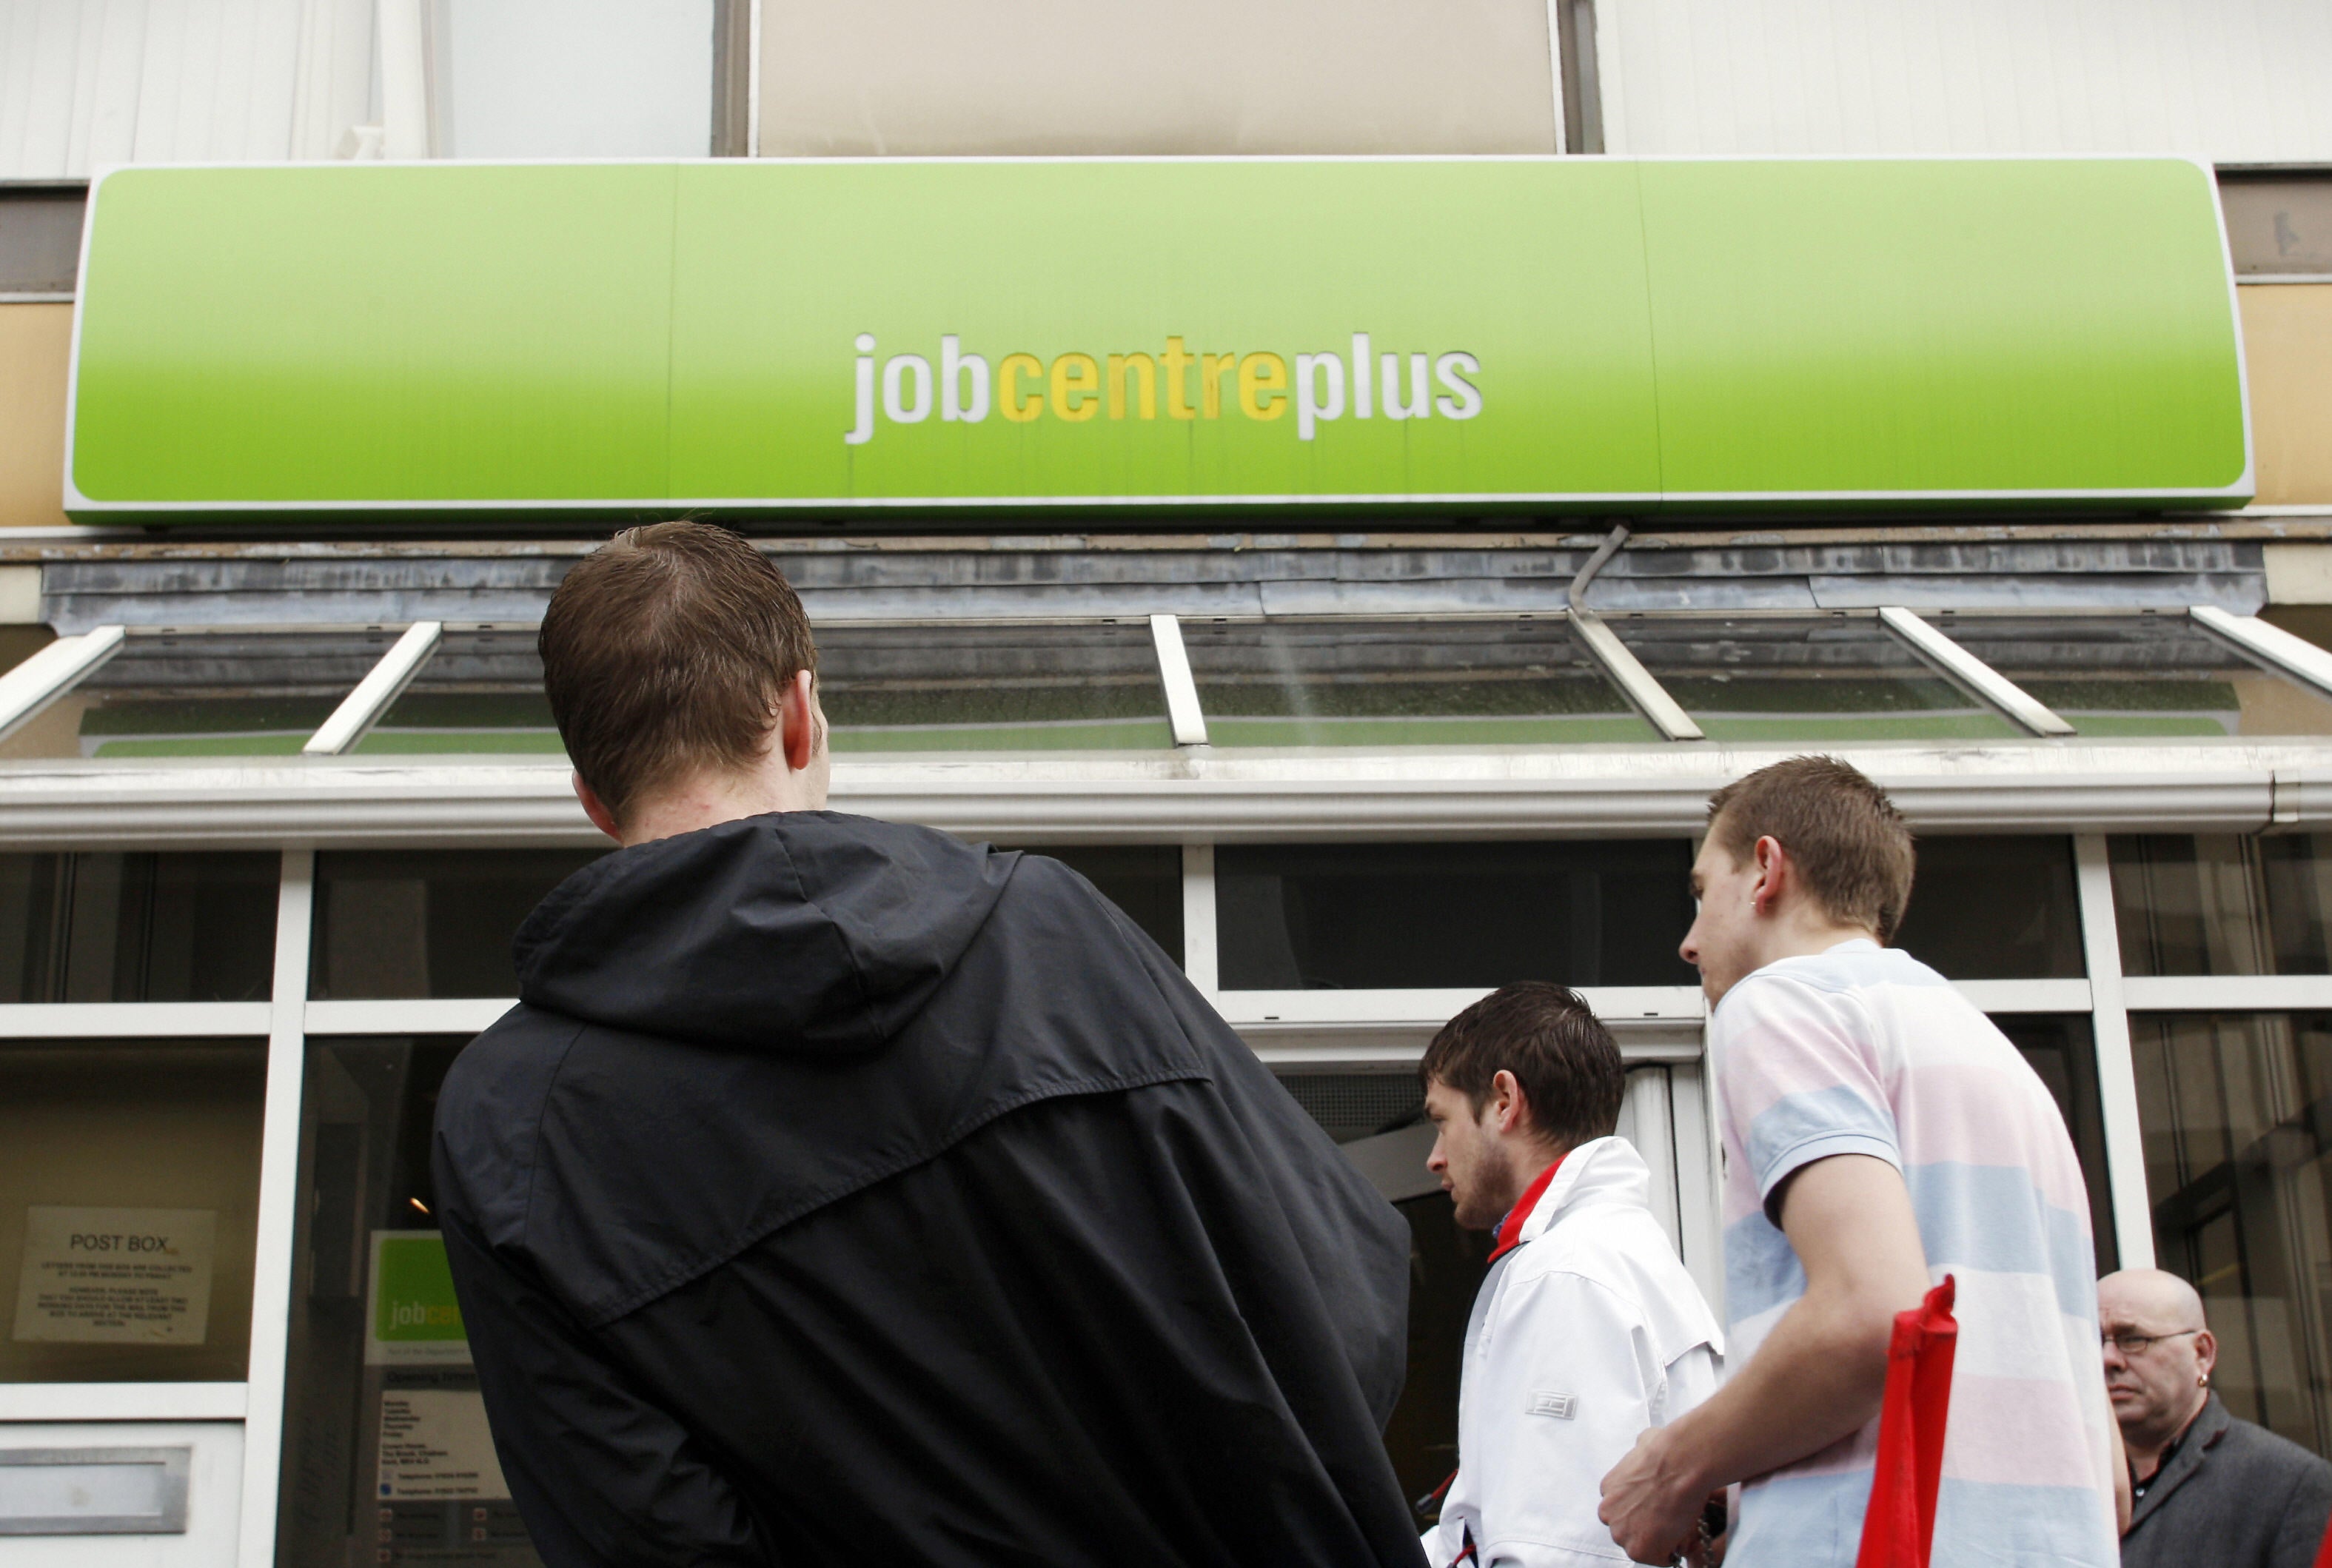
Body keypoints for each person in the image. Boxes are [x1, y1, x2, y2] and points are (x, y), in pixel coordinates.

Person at [429, 521, 1424, 1568]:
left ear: (592, 798)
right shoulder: (1050, 935)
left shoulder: (510, 1126)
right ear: (801, 715)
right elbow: (1339, 1308)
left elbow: (644, 1534)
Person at [1598, 755, 2120, 1567]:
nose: (1689, 942)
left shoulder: (1784, 1001)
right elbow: (2109, 1479)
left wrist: (1672, 1468)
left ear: (1766, 869)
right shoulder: (2005, 1068)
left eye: (1701, 893)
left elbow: (1874, 1312)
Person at [1418, 982, 1723, 1568]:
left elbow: (1553, 1553)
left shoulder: (1568, 1270)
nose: (1435, 1157)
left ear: (1504, 1101)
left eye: (1442, 1121)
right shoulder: (1608, 1252)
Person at [2101, 1267, 2332, 1567]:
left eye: (2133, 1339)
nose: (2107, 1358)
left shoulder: (2288, 1483)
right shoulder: (2069, 1476)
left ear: (2202, 1353)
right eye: (2095, 1340)